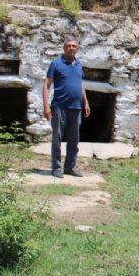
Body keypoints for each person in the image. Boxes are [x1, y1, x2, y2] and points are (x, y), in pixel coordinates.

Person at [43, 36, 91, 178]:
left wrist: (86, 102)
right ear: (64, 48)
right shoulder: (56, 64)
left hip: (76, 108)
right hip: (59, 107)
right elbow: (46, 85)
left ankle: (70, 167)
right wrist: (46, 107)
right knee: (57, 138)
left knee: (74, 139)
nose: (71, 48)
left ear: (77, 49)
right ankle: (56, 168)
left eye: (74, 46)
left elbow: (80, 84)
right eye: (68, 45)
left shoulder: (79, 65)